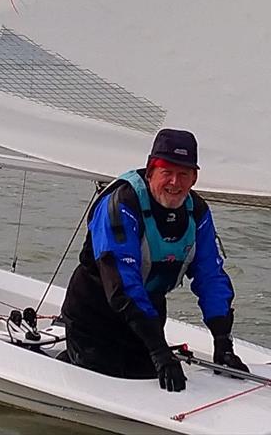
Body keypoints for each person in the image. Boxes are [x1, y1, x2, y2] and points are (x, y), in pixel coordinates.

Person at [61, 128, 249, 392]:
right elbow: (122, 284)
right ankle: (66, 362)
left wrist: (222, 343)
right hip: (95, 316)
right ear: (150, 172)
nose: (175, 182)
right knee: (109, 379)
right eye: (166, 172)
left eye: (184, 173)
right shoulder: (122, 204)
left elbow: (211, 277)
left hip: (147, 317)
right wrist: (160, 352)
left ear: (194, 178)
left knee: (153, 382)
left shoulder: (198, 213)